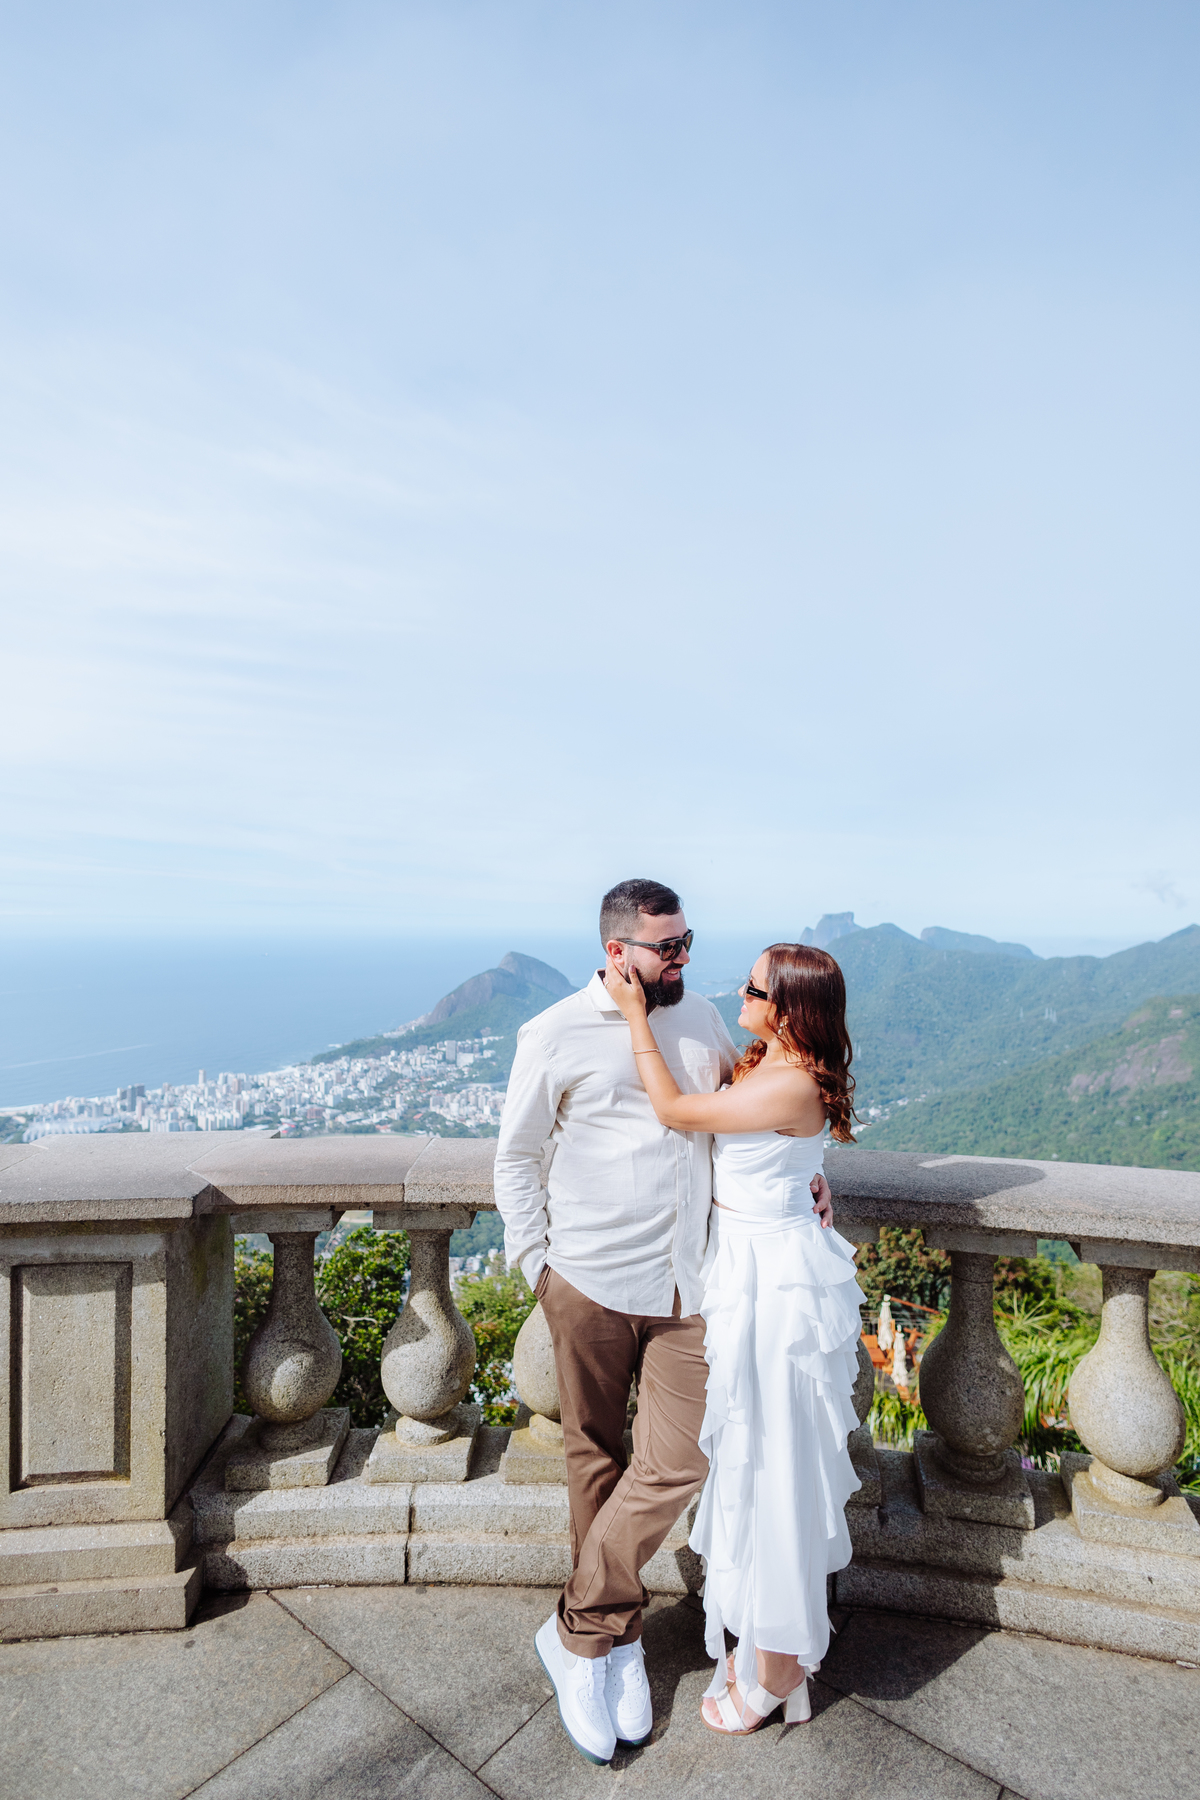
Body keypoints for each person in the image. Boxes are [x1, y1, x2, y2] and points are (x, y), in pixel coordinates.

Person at [494, 880, 833, 1765]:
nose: (685, 960)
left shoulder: (702, 1019)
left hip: (692, 1288)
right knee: (595, 1459)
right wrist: (540, 1270)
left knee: (679, 1461)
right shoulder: (556, 1033)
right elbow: (518, 1158)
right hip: (592, 1283)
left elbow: (743, 1112)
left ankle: (574, 1631)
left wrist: (804, 1175)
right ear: (618, 953)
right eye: (667, 950)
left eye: (688, 942)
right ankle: (618, 1640)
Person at [603, 939, 865, 1736]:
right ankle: (764, 1641)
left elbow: (679, 1112)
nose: (739, 993)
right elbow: (779, 1156)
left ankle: (780, 1669)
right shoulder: (769, 1062)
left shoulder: (786, 1082)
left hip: (774, 1288)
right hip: (752, 1270)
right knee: (749, 1460)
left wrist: (633, 1017)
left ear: (786, 1007)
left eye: (753, 987)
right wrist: (810, 1180)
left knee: (776, 1462)